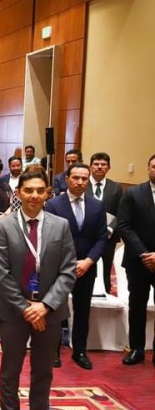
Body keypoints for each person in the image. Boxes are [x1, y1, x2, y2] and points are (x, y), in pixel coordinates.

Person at [0, 170, 76, 410]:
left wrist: (45, 306)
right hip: (14, 310)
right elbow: (1, 273)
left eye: (40, 190)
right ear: (18, 193)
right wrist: (27, 308)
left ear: (48, 192)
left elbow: (68, 271)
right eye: (29, 190)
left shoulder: (60, 225)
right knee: (10, 370)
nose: (34, 196)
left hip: (49, 310)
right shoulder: (3, 225)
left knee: (43, 371)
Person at [44, 163, 106, 369]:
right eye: (76, 178)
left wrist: (89, 261)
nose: (80, 182)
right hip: (60, 268)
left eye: (84, 178)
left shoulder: (97, 206)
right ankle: (53, 351)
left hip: (86, 267)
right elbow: (49, 238)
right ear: (67, 179)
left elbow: (101, 238)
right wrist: (68, 264)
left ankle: (79, 351)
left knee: (82, 311)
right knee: (55, 310)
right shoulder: (53, 205)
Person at [115, 153, 155, 365]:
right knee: (137, 305)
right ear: (148, 168)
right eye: (154, 166)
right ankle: (137, 349)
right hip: (138, 260)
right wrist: (144, 254)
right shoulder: (133, 193)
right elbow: (123, 225)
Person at [86, 152, 123, 294]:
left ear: (109, 167)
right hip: (86, 236)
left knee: (106, 268)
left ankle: (106, 293)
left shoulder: (116, 187)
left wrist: (111, 228)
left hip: (109, 237)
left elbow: (121, 212)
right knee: (87, 268)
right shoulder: (82, 184)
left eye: (103, 164)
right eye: (96, 164)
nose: (99, 167)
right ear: (90, 166)